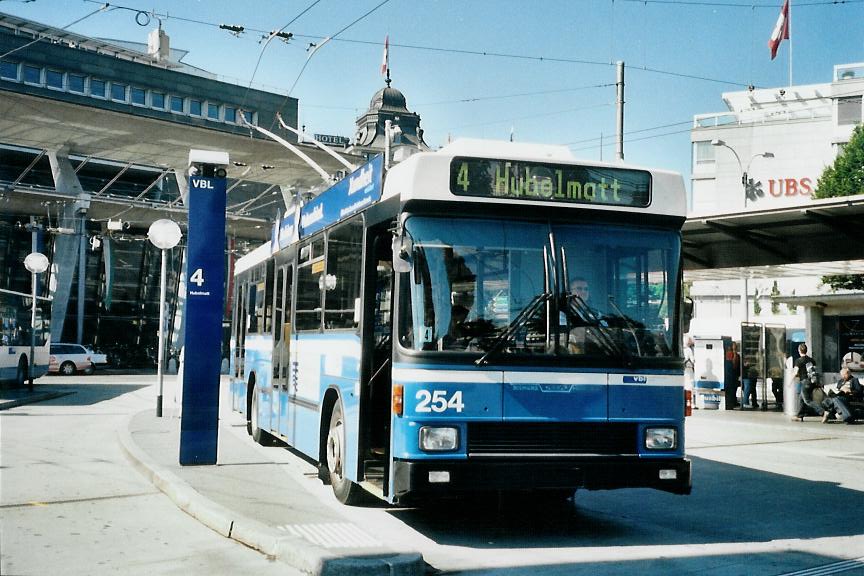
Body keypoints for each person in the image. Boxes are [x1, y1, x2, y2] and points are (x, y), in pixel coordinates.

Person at [793, 343, 825, 421]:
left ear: (799, 350)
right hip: (812, 381)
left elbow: (795, 372)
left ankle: (823, 412)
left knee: (807, 400)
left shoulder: (798, 361)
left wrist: (790, 382)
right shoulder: (811, 360)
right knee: (801, 398)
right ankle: (799, 416)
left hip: (805, 382)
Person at [724, 342, 741, 410]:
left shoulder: (736, 355)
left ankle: (733, 401)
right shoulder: (730, 354)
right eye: (734, 346)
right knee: (731, 389)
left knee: (734, 389)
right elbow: (733, 364)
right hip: (730, 375)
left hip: (734, 374)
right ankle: (731, 402)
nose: (735, 348)